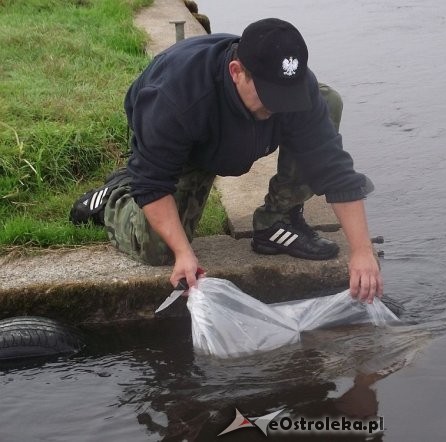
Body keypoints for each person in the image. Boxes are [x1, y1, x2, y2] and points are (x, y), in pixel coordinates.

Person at [70, 18, 383, 303]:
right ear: (237, 72)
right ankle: (115, 196)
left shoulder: (295, 91)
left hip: (229, 134)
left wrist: (362, 251)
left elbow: (334, 168)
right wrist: (183, 252)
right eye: (270, 96)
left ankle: (278, 221)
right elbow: (153, 182)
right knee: (158, 250)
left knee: (327, 102)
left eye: (287, 95)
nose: (278, 107)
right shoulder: (175, 96)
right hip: (188, 149)